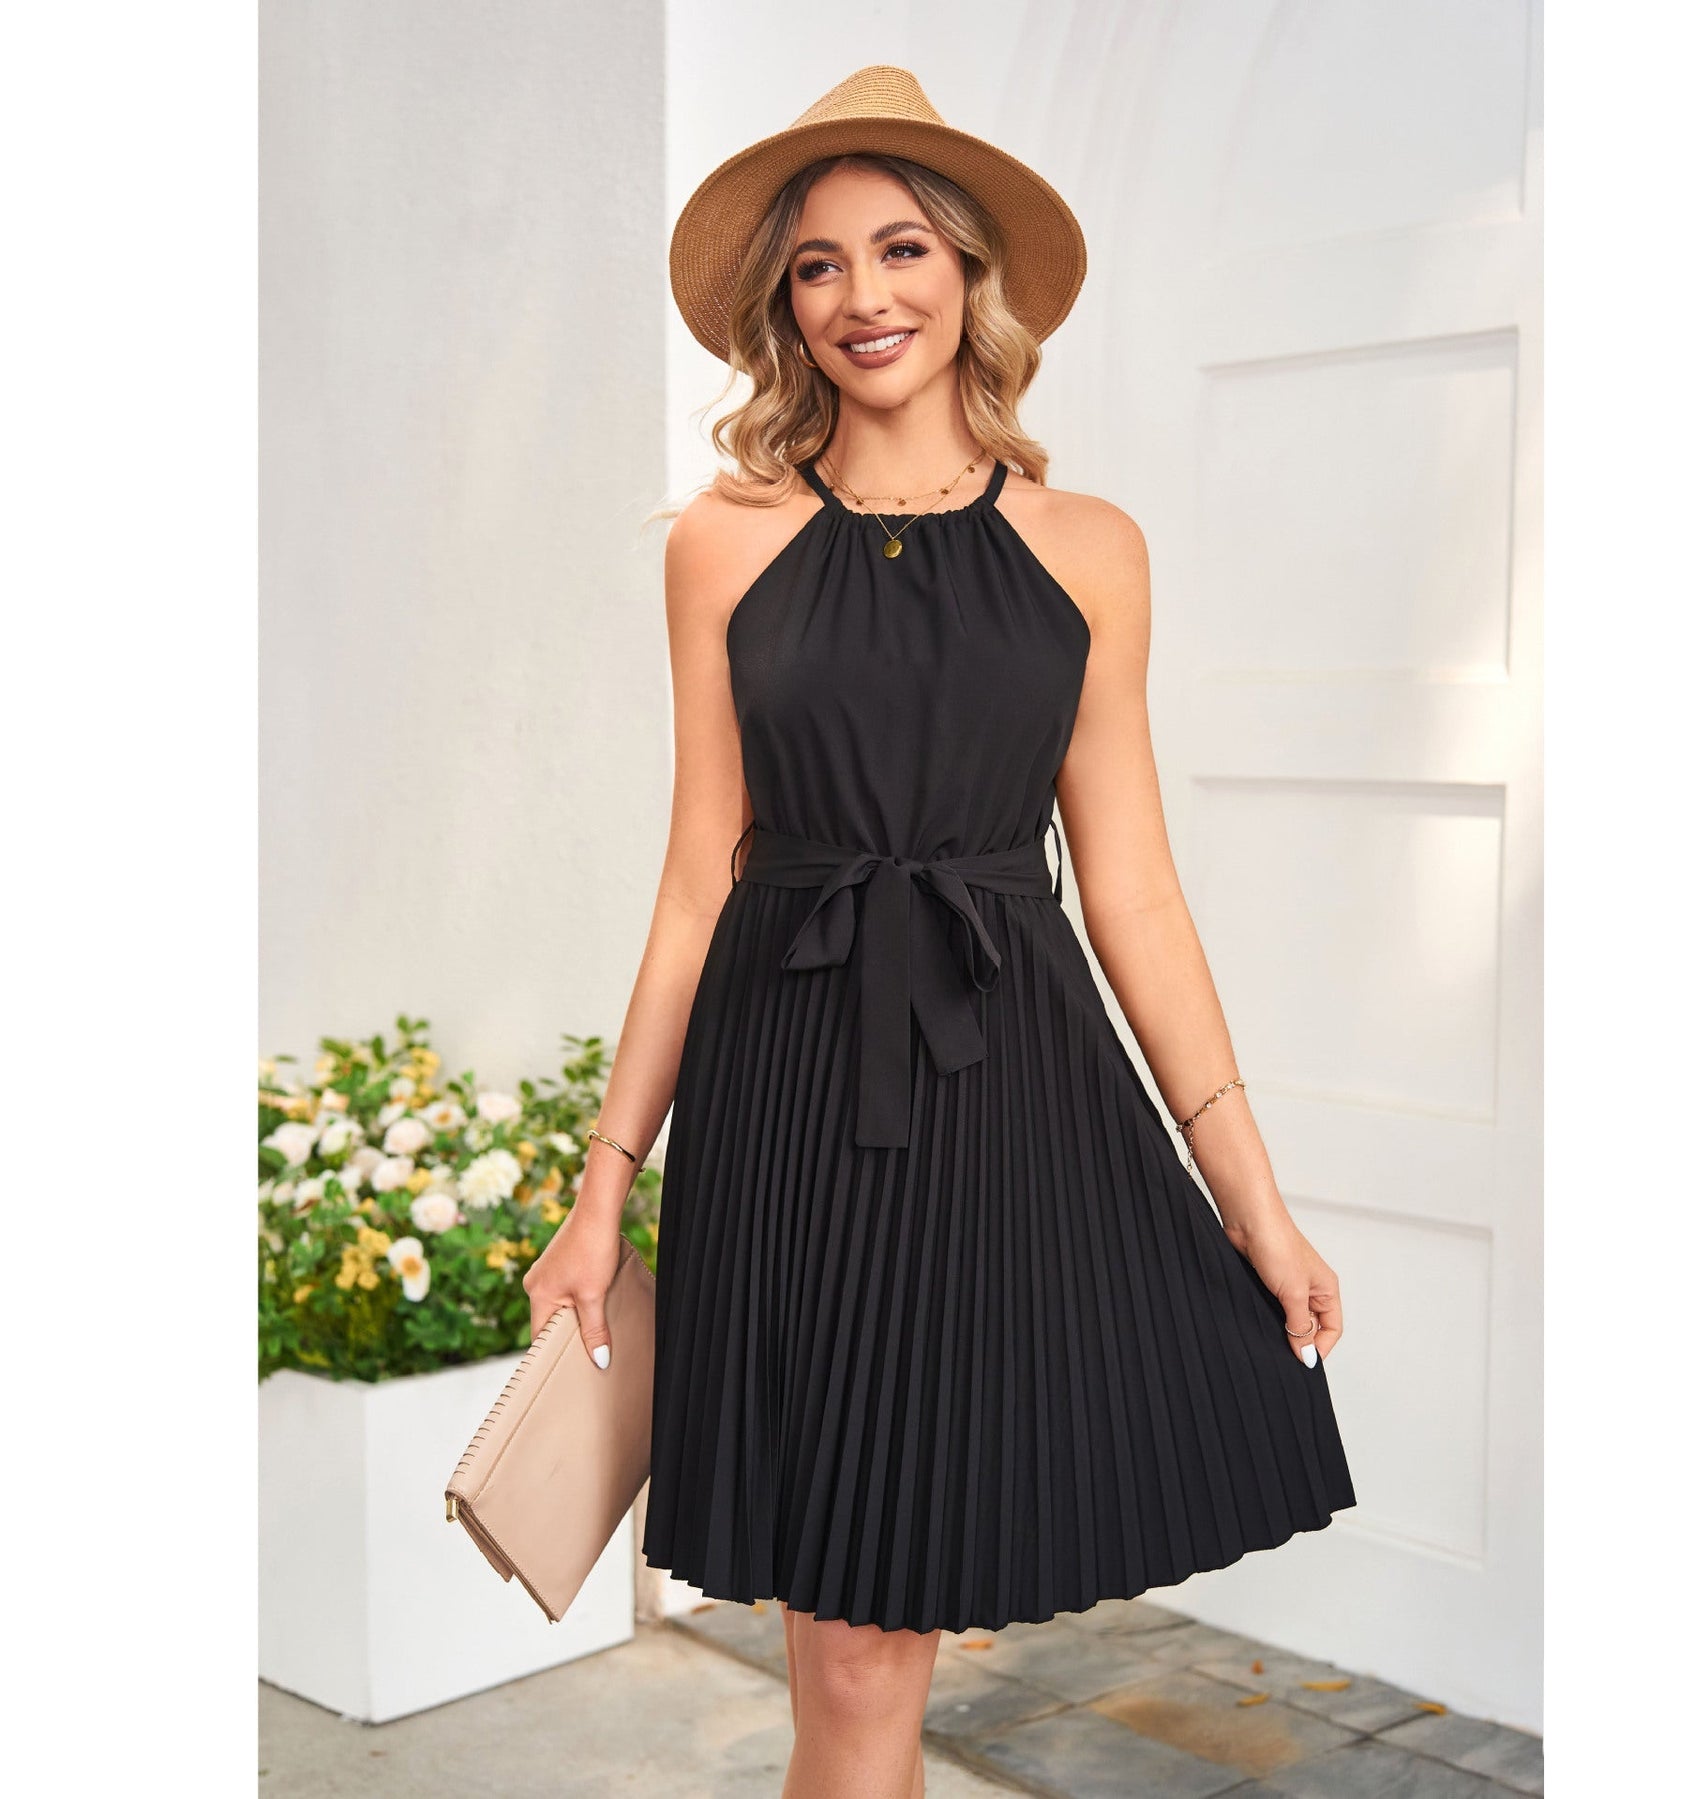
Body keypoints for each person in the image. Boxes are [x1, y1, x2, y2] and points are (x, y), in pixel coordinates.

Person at [525, 65, 1356, 1799]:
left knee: (893, 1613)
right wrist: (603, 1193)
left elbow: (1133, 892)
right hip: (784, 1096)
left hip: (1001, 1094)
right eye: (817, 264)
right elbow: (695, 883)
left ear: (972, 276)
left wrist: (1254, 1201)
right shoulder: (722, 545)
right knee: (846, 1650)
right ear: (785, 307)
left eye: (900, 248)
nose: (862, 295)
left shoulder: (1091, 549)